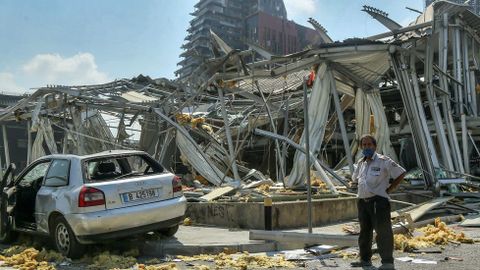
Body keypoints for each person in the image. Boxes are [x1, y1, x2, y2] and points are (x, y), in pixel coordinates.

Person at [350, 134, 406, 270]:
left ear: (375, 146)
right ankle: (365, 260)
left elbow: (401, 173)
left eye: (369, 145)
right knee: (365, 232)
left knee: (383, 232)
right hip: (363, 202)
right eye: (364, 145)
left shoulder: (383, 161)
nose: (366, 147)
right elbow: (355, 180)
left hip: (378, 202)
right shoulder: (361, 163)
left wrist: (390, 189)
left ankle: (387, 263)